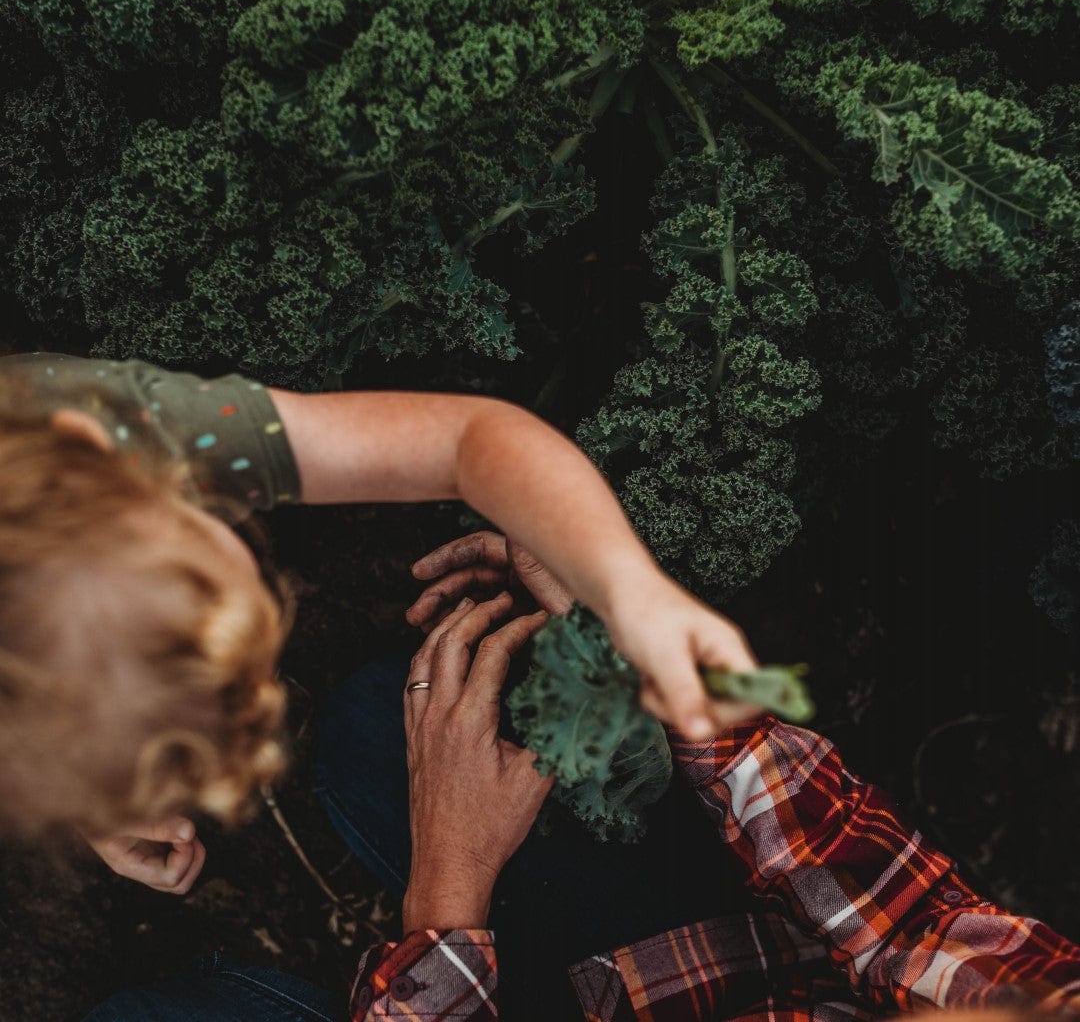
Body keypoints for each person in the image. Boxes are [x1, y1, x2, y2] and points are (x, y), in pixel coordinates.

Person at [84, 537, 1080, 1022]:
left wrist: (450, 883)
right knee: (378, 724)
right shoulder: (1044, 1000)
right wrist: (661, 660)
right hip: (694, 973)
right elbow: (899, 917)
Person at [0, 352, 758, 891]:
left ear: (113, 458)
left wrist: (627, 589)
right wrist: (96, 801)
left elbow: (471, 439)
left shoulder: (151, 425)